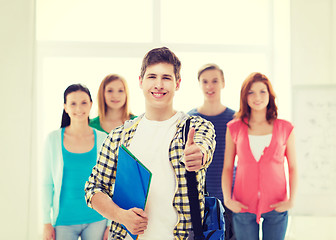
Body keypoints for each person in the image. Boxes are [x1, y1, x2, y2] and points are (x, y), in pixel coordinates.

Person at [84, 47, 216, 239]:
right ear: (140, 81)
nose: (159, 85)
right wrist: (121, 216)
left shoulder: (196, 127)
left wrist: (199, 156)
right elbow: (93, 189)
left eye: (166, 78)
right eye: (152, 77)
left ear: (177, 83)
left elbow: (203, 147)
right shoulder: (118, 137)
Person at [221, 72, 298, 240]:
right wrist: (228, 199)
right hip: (243, 205)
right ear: (244, 96)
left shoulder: (285, 128)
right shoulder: (234, 128)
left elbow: (292, 167)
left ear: (270, 95)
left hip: (277, 204)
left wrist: (291, 200)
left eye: (262, 91)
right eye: (251, 92)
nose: (257, 97)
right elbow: (227, 167)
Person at [42, 84, 110, 240]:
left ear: (91, 104)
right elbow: (47, 183)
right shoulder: (53, 139)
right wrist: (46, 222)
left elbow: (111, 183)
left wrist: (109, 224)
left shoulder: (103, 138)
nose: (79, 108)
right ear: (65, 107)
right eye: (73, 103)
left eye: (84, 102)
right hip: (64, 220)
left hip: (97, 219)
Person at [188, 63, 236, 240]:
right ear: (199, 84)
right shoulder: (190, 120)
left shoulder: (235, 119)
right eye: (205, 81)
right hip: (201, 201)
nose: (210, 86)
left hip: (231, 198)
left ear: (223, 83)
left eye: (215, 81)